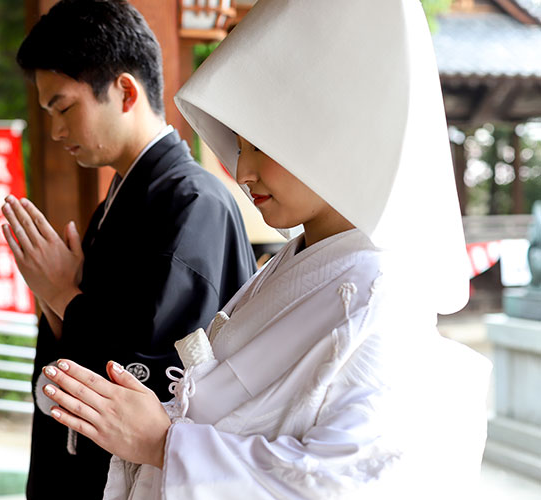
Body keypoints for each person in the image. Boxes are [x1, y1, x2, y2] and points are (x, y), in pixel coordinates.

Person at [35, 0, 492, 498]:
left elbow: (347, 482)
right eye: (238, 146)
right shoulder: (294, 264)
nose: (242, 171)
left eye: (262, 146)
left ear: (335, 137)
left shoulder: (380, 300)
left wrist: (166, 443)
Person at [1, 1, 256, 498]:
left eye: (64, 108)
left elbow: (158, 379)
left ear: (123, 91)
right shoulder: (119, 202)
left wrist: (63, 293)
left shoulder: (193, 204)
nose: (55, 132)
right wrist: (60, 306)